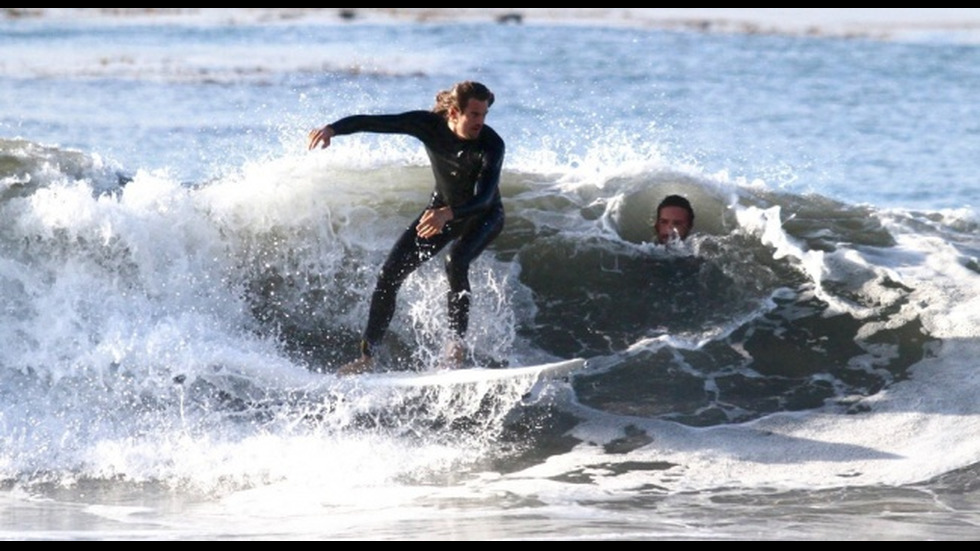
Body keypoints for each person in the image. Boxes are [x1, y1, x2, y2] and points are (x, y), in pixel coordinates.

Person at [307, 81, 505, 375]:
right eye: (474, 115)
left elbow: (486, 197)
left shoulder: (491, 144)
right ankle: (367, 358)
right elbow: (378, 122)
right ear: (454, 112)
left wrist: (448, 214)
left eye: (484, 114)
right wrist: (334, 128)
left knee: (457, 261)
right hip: (441, 210)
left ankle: (455, 346)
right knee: (389, 275)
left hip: (483, 214)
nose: (480, 122)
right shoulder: (429, 126)